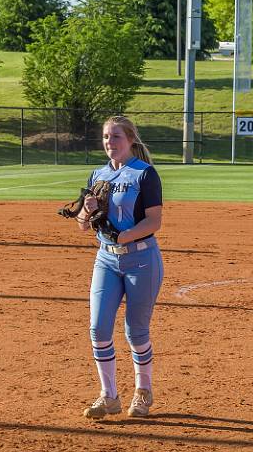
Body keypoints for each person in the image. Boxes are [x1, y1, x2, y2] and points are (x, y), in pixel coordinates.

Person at [76, 116, 164, 419]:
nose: (109, 143)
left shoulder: (145, 174)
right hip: (106, 259)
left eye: (115, 137)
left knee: (136, 331)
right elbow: (83, 225)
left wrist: (122, 235)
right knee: (98, 328)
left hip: (141, 259)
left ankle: (143, 391)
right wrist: (87, 213)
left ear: (130, 140)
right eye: (105, 137)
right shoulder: (97, 174)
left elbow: (154, 221)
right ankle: (109, 396)